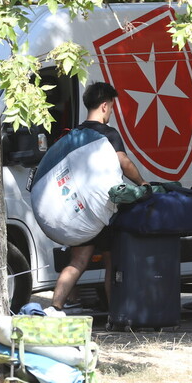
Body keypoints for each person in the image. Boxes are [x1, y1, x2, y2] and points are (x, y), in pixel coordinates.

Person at [46, 82, 144, 316]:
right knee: (112, 261)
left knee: (77, 261)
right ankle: (115, 313)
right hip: (104, 210)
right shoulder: (107, 134)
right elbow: (124, 162)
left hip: (81, 210)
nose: (111, 112)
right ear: (104, 105)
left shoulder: (75, 134)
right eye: (111, 107)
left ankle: (55, 307)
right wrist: (142, 183)